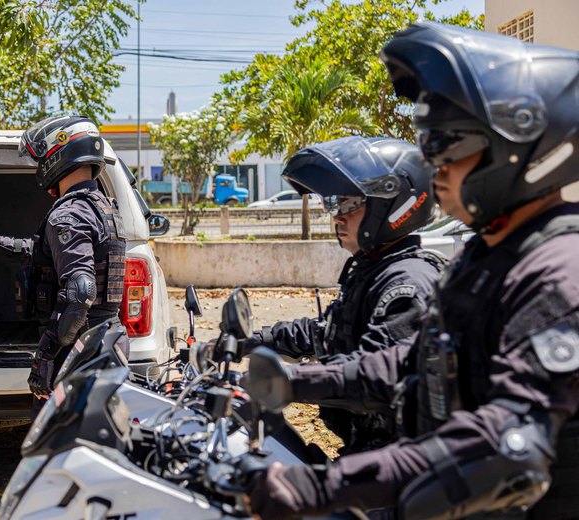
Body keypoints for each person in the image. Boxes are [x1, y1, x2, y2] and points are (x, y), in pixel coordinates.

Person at [244, 22, 579, 519]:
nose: (435, 168)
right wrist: (293, 381)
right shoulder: (488, 254)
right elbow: (413, 360)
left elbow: (505, 442)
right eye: (429, 149)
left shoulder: (558, 275)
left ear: (518, 148)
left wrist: (323, 487)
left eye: (449, 149)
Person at [242, 136, 445, 454]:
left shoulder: (407, 284)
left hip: (401, 463)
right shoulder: (374, 272)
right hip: (368, 449)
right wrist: (247, 342)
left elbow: (373, 376)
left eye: (349, 204)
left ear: (393, 204)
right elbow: (325, 333)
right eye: (333, 203)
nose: (337, 216)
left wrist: (287, 381)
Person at [0, 116, 125, 405]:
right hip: (105, 342)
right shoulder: (103, 208)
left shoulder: (69, 215)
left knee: (58, 446)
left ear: (59, 154)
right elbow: (38, 252)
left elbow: (80, 293)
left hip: (77, 352)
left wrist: (45, 356)